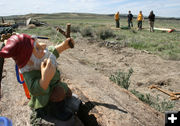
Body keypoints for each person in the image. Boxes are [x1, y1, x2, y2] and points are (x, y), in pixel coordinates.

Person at [0, 33, 79, 125]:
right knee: (59, 93)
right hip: (46, 95)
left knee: (67, 92)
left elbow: (54, 51)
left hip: (57, 84)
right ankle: (58, 111)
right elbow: (34, 89)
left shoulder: (42, 56)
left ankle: (64, 99)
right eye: (37, 48)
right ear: (29, 60)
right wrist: (45, 80)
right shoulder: (29, 73)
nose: (43, 47)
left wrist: (64, 45)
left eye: (38, 44)